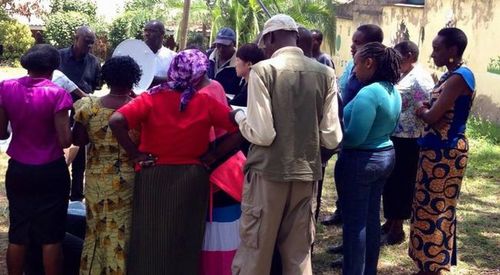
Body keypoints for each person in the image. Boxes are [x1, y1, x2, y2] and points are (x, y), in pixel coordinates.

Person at [109, 49, 239, 275]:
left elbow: (116, 120)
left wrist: (135, 154)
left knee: (150, 235)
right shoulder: (205, 101)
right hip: (192, 178)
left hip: (153, 175)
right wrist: (213, 156)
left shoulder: (150, 97)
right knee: (185, 238)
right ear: (199, 75)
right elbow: (240, 129)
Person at [230, 14, 343, 275]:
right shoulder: (325, 73)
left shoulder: (263, 70)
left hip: (267, 173)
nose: (263, 49)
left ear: (270, 37)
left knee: (255, 252)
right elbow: (332, 137)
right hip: (306, 175)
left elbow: (262, 134)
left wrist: (238, 116)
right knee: (299, 255)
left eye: (263, 44)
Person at [0, 44, 73, 275]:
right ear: (53, 69)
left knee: (18, 232)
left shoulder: (5, 87)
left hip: (19, 168)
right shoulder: (57, 93)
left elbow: (2, 133)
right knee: (50, 235)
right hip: (51, 169)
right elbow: (64, 141)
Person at [410, 27, 475, 275]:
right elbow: (434, 108)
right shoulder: (448, 76)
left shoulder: (460, 77)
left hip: (446, 153)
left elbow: (433, 115)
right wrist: (427, 109)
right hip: (434, 151)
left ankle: (435, 266)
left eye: (437, 48)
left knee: (437, 208)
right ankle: (427, 262)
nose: (433, 53)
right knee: (424, 206)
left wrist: (422, 110)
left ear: (453, 51)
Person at [334, 42, 401, 274]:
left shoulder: (369, 93)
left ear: (369, 63)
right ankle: (368, 269)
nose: (353, 71)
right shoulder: (391, 90)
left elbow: (354, 137)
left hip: (361, 161)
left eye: (356, 64)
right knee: (371, 219)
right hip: (384, 155)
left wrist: (333, 141)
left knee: (354, 224)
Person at [72, 56, 142, 274]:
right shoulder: (140, 108)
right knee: (121, 231)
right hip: (127, 179)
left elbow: (78, 140)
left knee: (96, 229)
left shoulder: (89, 107)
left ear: (107, 78)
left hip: (96, 178)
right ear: (134, 78)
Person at [323, 24, 384, 230]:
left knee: (360, 201)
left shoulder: (374, 78)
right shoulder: (352, 64)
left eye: (358, 42)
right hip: (345, 128)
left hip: (359, 140)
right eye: (353, 41)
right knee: (346, 187)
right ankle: (341, 212)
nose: (352, 46)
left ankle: (350, 228)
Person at [381, 40, 434, 245]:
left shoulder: (419, 78)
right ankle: (390, 221)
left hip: (409, 141)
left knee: (402, 184)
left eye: (398, 55)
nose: (395, 59)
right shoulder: (404, 74)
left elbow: (426, 107)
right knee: (392, 183)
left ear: (410, 54)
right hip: (397, 137)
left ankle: (397, 229)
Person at [59, 26, 102, 202]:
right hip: (59, 111)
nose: (89, 46)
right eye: (86, 41)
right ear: (76, 38)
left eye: (92, 43)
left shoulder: (94, 62)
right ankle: (60, 191)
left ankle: (76, 196)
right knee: (59, 153)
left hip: (82, 114)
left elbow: (96, 86)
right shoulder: (59, 57)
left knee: (80, 156)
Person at [207, 27, 242, 96]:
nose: (221, 49)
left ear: (234, 44)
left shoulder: (241, 62)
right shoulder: (208, 57)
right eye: (218, 45)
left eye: (225, 46)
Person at [143, 20, 176, 87]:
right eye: (145, 30)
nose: (147, 34)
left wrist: (152, 80)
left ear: (162, 34)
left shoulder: (173, 57)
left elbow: (176, 80)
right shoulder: (135, 54)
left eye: (152, 31)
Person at [231, 43, 265, 107]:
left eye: (237, 60)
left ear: (249, 64)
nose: (235, 64)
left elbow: (235, 103)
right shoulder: (244, 82)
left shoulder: (252, 87)